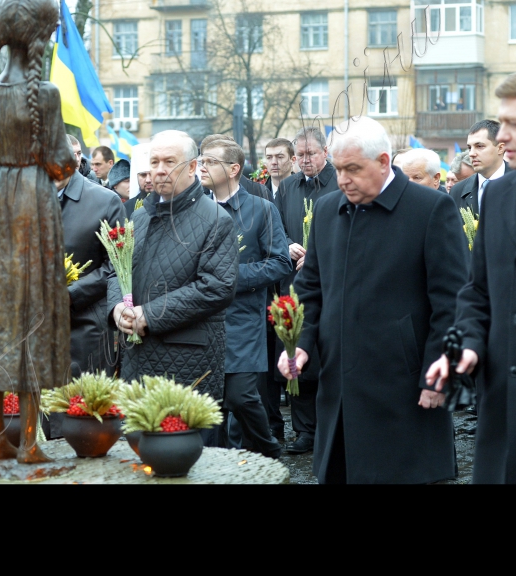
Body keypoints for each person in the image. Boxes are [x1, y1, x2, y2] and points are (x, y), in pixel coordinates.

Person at [279, 116, 468, 483]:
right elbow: (310, 287)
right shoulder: (328, 210)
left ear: (384, 161)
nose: (343, 179)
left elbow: (452, 303)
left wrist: (436, 376)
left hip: (404, 388)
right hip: (339, 388)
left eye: (353, 169)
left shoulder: (430, 209)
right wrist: (299, 344)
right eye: (338, 169)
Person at [426, 66, 516, 483]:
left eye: (515, 124)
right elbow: (477, 290)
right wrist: (472, 344)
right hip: (503, 413)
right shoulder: (496, 195)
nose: (502, 137)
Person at [0, 0, 77, 462]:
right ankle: (30, 442)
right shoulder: (46, 94)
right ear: (41, 35)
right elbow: (60, 162)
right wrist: (63, 163)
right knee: (34, 309)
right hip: (33, 203)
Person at [108, 130, 238, 418]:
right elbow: (117, 270)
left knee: (183, 457)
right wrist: (117, 307)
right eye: (154, 162)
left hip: (187, 363)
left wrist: (150, 315)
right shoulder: (140, 217)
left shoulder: (216, 220)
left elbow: (216, 287)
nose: (159, 170)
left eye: (169, 161)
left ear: (192, 167)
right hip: (137, 362)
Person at [199, 138, 291, 458]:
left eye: (210, 161)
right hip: (200, 321)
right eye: (201, 161)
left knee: (240, 398)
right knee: (208, 410)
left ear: (234, 169)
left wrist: (232, 278)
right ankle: (216, 468)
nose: (201, 167)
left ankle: (268, 450)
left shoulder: (261, 209)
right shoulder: (196, 209)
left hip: (242, 319)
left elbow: (281, 262)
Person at [274, 126, 338, 454]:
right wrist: (287, 246)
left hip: (330, 284)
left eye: (311, 153)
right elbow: (277, 229)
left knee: (324, 355)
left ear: (325, 152)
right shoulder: (286, 187)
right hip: (293, 285)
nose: (305, 160)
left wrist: (315, 256)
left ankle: (329, 427)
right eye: (299, 155)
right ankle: (304, 430)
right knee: (293, 348)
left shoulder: (340, 183)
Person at [57, 150, 126, 390]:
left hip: (86, 328)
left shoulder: (105, 201)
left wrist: (71, 294)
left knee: (83, 415)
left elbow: (119, 263)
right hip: (37, 328)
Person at [450, 120, 511, 219]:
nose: (471, 153)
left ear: (500, 148)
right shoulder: (457, 191)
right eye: (470, 148)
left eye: (479, 146)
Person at [125, 143, 154, 217]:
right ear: (137, 177)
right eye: (143, 175)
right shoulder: (126, 207)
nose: (148, 180)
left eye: (151, 174)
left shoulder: (168, 203)